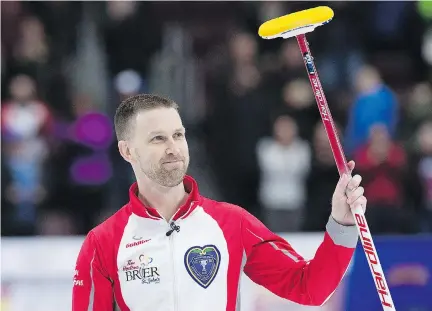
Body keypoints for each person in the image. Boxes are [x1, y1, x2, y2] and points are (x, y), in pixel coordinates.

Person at [72, 94, 367, 311]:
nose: (173, 148)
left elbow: (309, 287)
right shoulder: (102, 242)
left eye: (178, 135)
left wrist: (341, 223)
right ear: (127, 151)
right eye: (158, 139)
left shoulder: (232, 222)